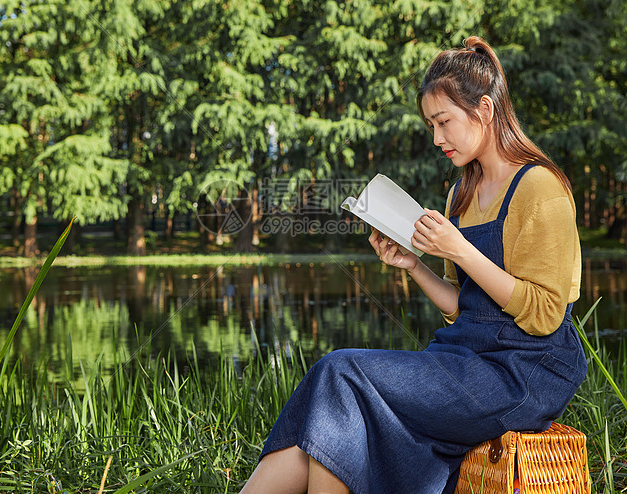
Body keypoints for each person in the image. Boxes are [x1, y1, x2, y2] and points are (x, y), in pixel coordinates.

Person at [240, 36, 587, 494]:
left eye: (444, 122)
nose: (438, 138)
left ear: (483, 110)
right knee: (338, 396)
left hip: (525, 371)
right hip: (467, 357)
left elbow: (544, 316)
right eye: (431, 126)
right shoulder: (461, 194)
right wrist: (415, 265)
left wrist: (459, 250)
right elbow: (465, 307)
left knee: (340, 371)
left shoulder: (539, 188)